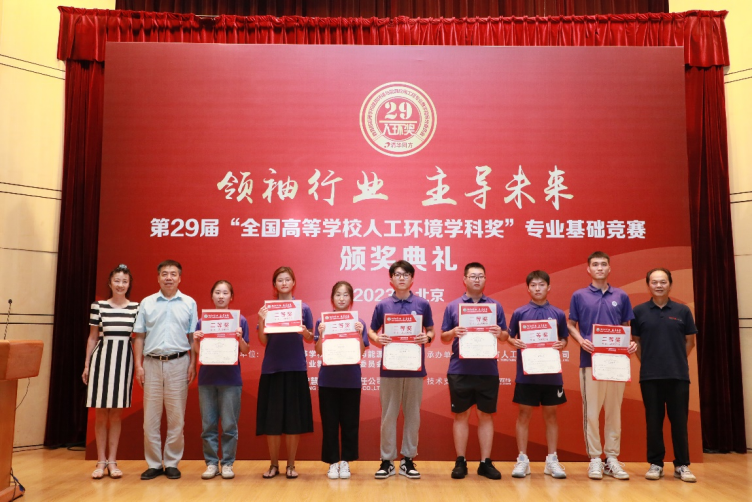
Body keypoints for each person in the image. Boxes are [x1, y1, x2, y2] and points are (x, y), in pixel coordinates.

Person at [567, 251, 636, 480]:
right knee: (592, 412)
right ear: (588, 269)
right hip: (591, 362)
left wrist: (629, 344)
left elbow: (626, 326)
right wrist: (581, 340)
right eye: (595, 264)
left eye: (603, 264)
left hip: (616, 363)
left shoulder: (621, 295)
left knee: (614, 412)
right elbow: (570, 324)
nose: (599, 268)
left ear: (609, 268)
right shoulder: (579, 295)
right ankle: (595, 459)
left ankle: (612, 458)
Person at [440, 262, 508, 480]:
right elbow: (443, 336)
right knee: (461, 414)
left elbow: (505, 335)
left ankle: (485, 462)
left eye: (480, 276)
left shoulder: (495, 306)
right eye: (473, 276)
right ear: (465, 279)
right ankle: (460, 461)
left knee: (485, 415)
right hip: (460, 369)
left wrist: (499, 333)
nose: (477, 279)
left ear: (485, 279)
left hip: (487, 369)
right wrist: (454, 331)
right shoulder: (453, 306)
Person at [368, 260, 434, 480]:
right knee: (389, 415)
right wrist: (378, 338)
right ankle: (387, 460)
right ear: (391, 279)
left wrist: (428, 337)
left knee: (412, 415)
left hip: (414, 367)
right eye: (398, 274)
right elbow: (371, 330)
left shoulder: (422, 304)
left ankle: (408, 459)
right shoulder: (383, 305)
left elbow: (431, 329)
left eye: (406, 274)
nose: (402, 278)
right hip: (390, 368)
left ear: (412, 279)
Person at [133, 260, 198, 480]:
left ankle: (171, 463)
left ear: (180, 278)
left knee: (176, 417)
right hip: (151, 363)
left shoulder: (189, 303)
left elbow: (193, 337)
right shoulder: (147, 303)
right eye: (164, 274)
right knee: (150, 418)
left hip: (179, 363)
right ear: (158, 278)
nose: (168, 277)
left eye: (173, 274)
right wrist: (138, 365)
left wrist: (193, 363)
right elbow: (139, 337)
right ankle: (153, 464)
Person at [632, 268, 698, 483]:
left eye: (663, 282)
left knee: (679, 421)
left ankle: (682, 465)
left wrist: (675, 359)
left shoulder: (682, 310)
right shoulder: (639, 311)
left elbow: (690, 341)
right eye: (654, 282)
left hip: (678, 375)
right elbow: (637, 342)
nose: (659, 285)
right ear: (648, 285)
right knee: (653, 421)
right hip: (650, 376)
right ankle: (656, 464)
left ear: (670, 284)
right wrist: (649, 362)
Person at [507, 270, 569, 479]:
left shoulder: (558, 313)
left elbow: (564, 338)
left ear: (548, 287)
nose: (537, 288)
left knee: (551, 415)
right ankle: (522, 459)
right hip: (527, 374)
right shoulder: (520, 312)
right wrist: (514, 341)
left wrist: (562, 343)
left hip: (551, 374)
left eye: (541, 284)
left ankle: (552, 460)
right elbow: (510, 336)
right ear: (528, 288)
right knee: (523, 415)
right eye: (533, 285)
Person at [256, 266, 314, 479]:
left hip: (295, 368)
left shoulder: (303, 308)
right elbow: (263, 340)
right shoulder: (267, 309)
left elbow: (310, 337)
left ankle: (291, 465)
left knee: (293, 420)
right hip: (272, 369)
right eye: (279, 280)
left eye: (287, 279)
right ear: (274, 284)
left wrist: (305, 331)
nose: (283, 283)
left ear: (293, 283)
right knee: (272, 421)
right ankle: (273, 465)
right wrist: (261, 320)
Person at [82, 264, 139, 479]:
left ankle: (113, 461)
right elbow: (92, 337)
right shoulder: (98, 306)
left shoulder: (136, 308)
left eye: (125, 281)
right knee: (100, 413)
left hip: (124, 361)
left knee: (116, 413)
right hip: (101, 361)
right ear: (110, 283)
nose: (120, 285)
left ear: (129, 284)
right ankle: (100, 461)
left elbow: (139, 338)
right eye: (117, 281)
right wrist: (87, 364)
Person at [193, 280, 250, 480]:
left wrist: (239, 338)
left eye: (225, 293)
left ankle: (227, 464)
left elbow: (245, 350)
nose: (221, 296)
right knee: (208, 425)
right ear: (212, 296)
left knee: (229, 426)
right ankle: (211, 463)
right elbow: (199, 352)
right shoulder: (202, 321)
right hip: (207, 380)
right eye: (217, 292)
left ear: (231, 297)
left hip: (231, 380)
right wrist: (196, 340)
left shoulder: (240, 320)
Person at [314, 281, 369, 479]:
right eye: (338, 294)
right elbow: (318, 351)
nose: (342, 298)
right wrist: (321, 334)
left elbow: (361, 352)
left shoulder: (358, 322)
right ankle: (332, 463)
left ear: (351, 299)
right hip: (328, 380)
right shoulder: (322, 321)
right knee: (329, 423)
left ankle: (345, 462)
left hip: (351, 380)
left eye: (346, 295)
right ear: (332, 298)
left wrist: (359, 333)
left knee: (350, 423)